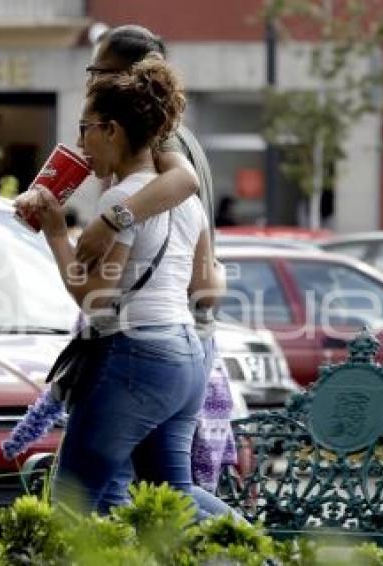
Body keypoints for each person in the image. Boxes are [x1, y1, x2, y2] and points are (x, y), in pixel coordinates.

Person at [25, 55, 234, 519]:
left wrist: (57, 235)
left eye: (86, 128)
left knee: (71, 502)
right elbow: (204, 286)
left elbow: (95, 300)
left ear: (113, 130)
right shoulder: (186, 200)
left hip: (137, 355)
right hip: (184, 357)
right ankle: (255, 551)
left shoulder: (121, 198)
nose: (82, 143)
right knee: (173, 498)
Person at [76, 24, 237, 493]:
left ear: (126, 78)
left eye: (96, 71)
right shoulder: (178, 136)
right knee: (165, 497)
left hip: (152, 335)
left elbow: (183, 181)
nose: (90, 82)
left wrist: (111, 221)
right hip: (187, 332)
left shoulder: (163, 142)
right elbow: (206, 274)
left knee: (100, 489)